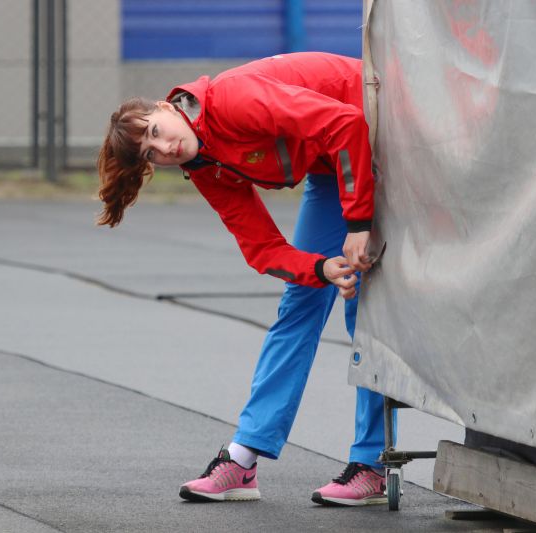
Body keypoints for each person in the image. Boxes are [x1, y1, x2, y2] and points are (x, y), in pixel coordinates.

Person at [97, 52, 389, 506]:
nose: (165, 148)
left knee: (365, 308)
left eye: (155, 132)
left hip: (382, 127)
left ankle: (372, 465)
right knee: (300, 303)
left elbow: (346, 123)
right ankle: (242, 460)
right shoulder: (203, 164)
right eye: (151, 154)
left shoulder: (232, 100)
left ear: (167, 107)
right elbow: (261, 247)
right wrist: (319, 268)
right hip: (332, 165)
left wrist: (358, 222)